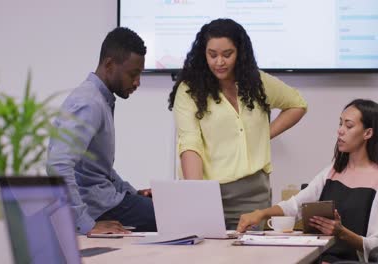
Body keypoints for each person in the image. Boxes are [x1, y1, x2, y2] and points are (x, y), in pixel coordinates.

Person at [168, 18, 308, 230]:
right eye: (212, 55)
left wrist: (263, 135)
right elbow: (190, 144)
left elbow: (297, 105)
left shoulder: (257, 83)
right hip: (210, 194)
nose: (219, 62)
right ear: (203, 53)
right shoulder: (189, 90)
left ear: (240, 53)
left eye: (227, 54)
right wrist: (195, 196)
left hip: (253, 197)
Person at [237, 99, 378, 263]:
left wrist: (341, 232)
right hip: (318, 257)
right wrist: (260, 214)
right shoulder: (332, 170)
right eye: (340, 124)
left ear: (368, 133)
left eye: (348, 126)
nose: (340, 131)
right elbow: (295, 205)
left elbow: (377, 245)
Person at [47, 27, 156, 235]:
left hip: (102, 199)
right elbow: (57, 165)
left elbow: (97, 170)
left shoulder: (100, 99)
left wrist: (133, 193)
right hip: (96, 208)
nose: (137, 82)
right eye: (133, 74)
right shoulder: (88, 102)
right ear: (109, 65)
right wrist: (85, 224)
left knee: (162, 209)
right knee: (169, 216)